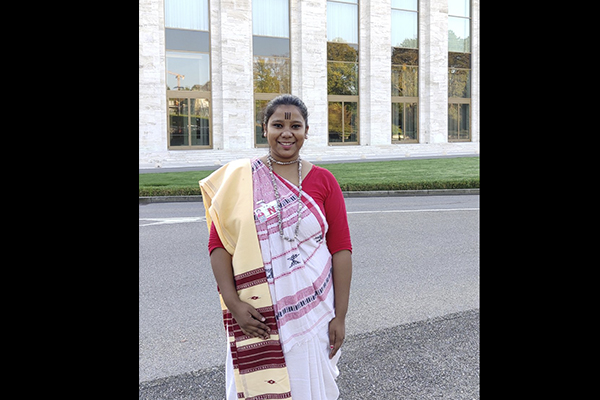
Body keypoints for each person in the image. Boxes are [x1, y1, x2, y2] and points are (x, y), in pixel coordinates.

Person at [200, 94, 352, 400]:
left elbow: (341, 249)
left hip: (314, 310)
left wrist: (340, 315)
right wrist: (233, 303)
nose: (287, 133)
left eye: (295, 126)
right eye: (278, 125)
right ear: (264, 129)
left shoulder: (324, 180)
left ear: (306, 131)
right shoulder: (241, 180)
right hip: (258, 312)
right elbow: (219, 244)